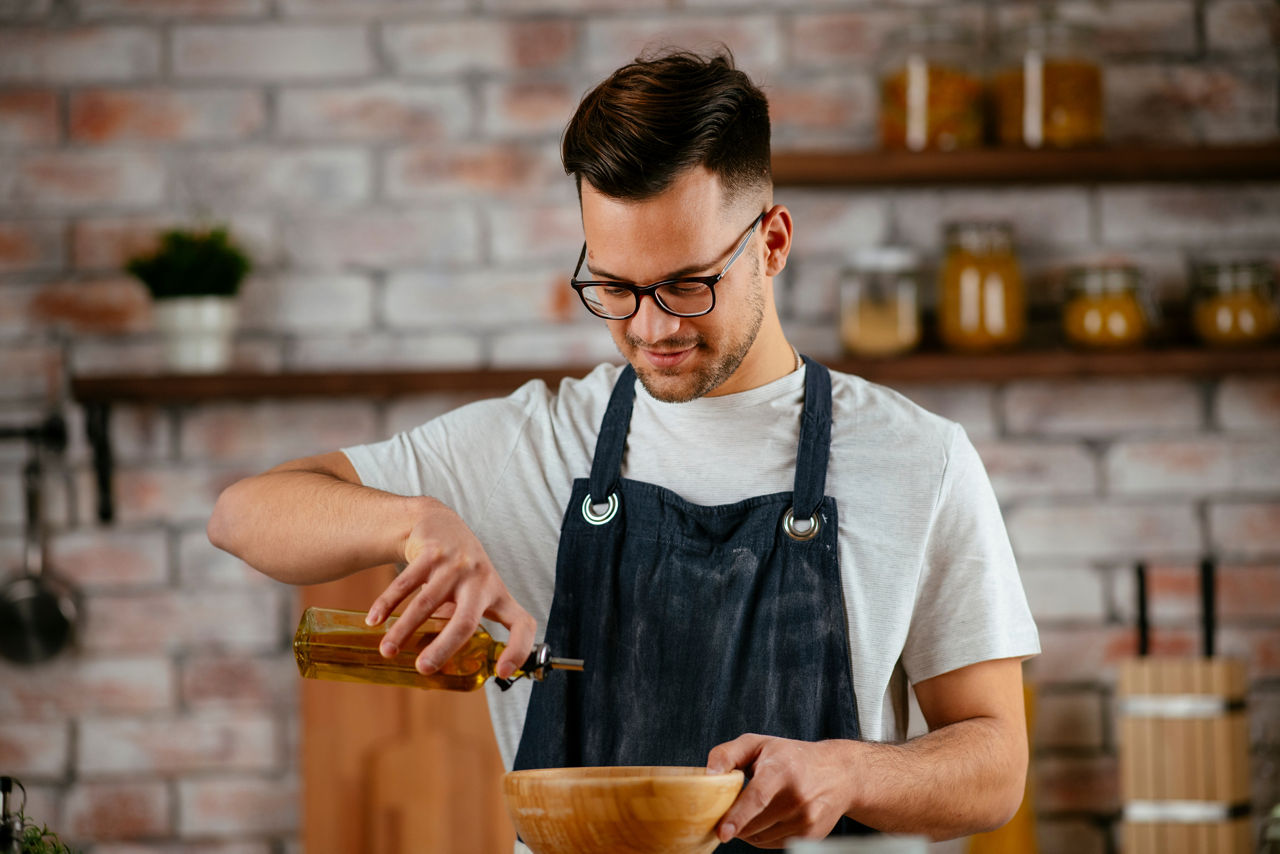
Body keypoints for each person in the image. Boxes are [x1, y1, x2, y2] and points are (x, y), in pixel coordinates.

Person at [208, 48, 1039, 850]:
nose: (651, 327)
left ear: (774, 243)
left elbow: (995, 767)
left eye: (687, 283)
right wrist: (411, 523)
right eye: (613, 287)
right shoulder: (530, 445)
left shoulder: (919, 459)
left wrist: (853, 774)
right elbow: (243, 514)